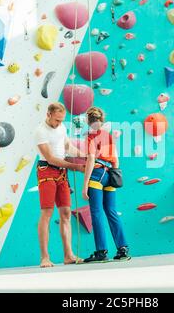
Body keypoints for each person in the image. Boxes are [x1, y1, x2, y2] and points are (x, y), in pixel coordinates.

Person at [35, 102, 85, 268]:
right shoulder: (40, 131)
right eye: (56, 120)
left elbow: (66, 146)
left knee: (66, 213)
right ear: (48, 114)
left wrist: (83, 156)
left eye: (61, 120)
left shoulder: (62, 128)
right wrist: (76, 167)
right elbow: (50, 158)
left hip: (62, 172)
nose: (58, 123)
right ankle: (45, 257)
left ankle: (68, 255)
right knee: (47, 213)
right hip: (46, 171)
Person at [82, 106, 130, 263]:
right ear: (102, 120)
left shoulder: (90, 136)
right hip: (110, 174)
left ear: (88, 121)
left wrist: (84, 186)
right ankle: (122, 249)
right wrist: (114, 175)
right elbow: (115, 158)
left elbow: (90, 159)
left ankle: (101, 251)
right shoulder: (108, 136)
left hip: (96, 174)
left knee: (96, 213)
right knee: (111, 211)